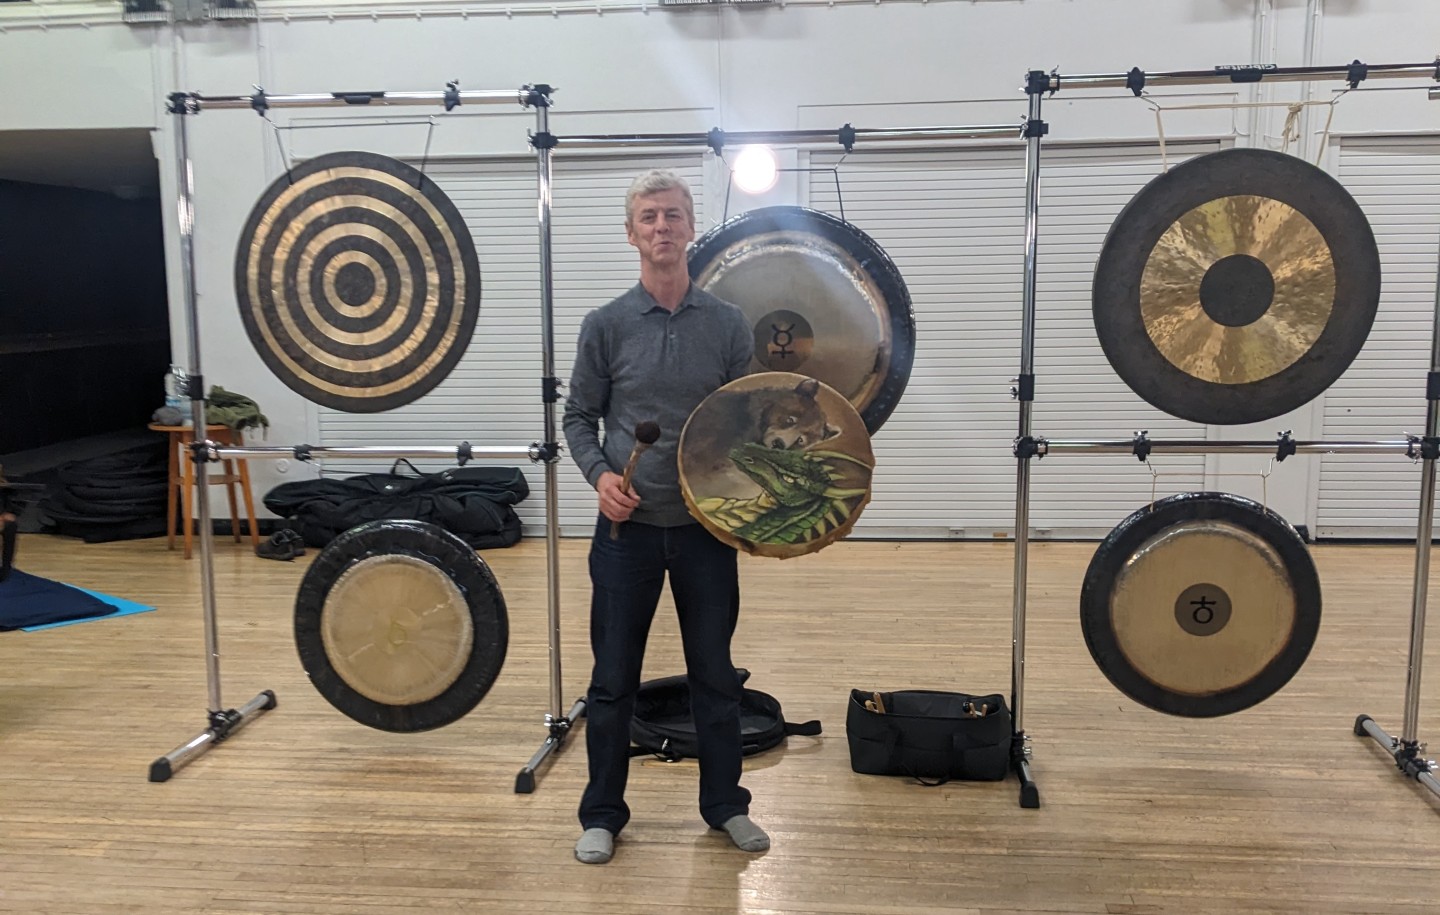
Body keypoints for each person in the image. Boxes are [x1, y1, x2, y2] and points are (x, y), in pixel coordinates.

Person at [562, 168, 765, 865]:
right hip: (628, 534)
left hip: (707, 533)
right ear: (632, 233)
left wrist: (748, 497)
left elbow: (747, 424)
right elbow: (578, 418)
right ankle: (602, 812)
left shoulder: (728, 325)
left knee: (715, 675)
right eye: (649, 217)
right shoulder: (606, 325)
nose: (662, 227)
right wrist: (599, 475)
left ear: (690, 228)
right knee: (612, 679)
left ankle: (725, 806)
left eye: (673, 215)